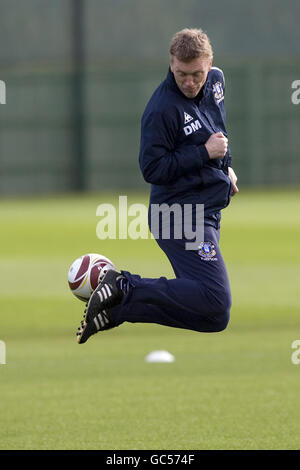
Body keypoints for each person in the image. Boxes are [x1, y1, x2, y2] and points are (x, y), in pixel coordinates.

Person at [76, 28, 238, 344]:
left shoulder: (216, 81)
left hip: (207, 210)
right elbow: (153, 169)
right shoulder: (161, 108)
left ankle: (118, 309)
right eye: (181, 74)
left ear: (209, 63)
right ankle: (122, 285)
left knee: (212, 317)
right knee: (215, 297)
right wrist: (204, 153)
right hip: (177, 214)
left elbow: (216, 127)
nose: (189, 82)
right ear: (171, 63)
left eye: (196, 74)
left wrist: (225, 165)